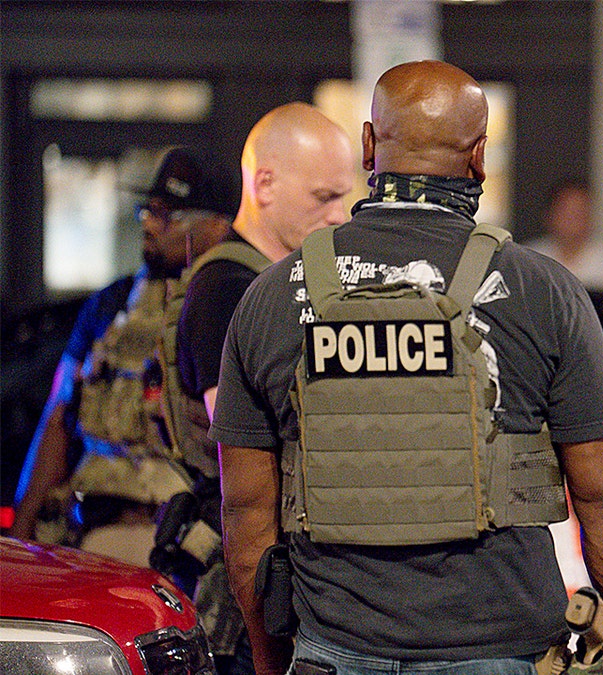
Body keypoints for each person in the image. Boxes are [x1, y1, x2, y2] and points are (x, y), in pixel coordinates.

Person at [211, 60, 603, 675]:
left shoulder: (272, 295)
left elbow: (246, 514)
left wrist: (269, 658)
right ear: (478, 157)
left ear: (369, 145)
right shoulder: (541, 290)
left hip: (332, 651)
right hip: (498, 651)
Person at [152, 102, 355, 675]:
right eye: (323, 197)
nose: (340, 216)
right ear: (264, 183)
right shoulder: (226, 290)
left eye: (344, 197)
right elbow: (250, 452)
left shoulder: (280, 285)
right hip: (249, 581)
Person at [11, 147, 236, 566]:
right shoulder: (109, 304)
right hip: (96, 532)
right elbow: (59, 417)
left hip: (189, 543)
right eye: (146, 210)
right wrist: (22, 533)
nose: (149, 223)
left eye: (167, 214)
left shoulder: (228, 302)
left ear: (216, 226)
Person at [527, 179, 603, 353]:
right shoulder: (528, 262)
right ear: (549, 215)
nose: (572, 220)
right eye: (566, 212)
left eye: (580, 213)